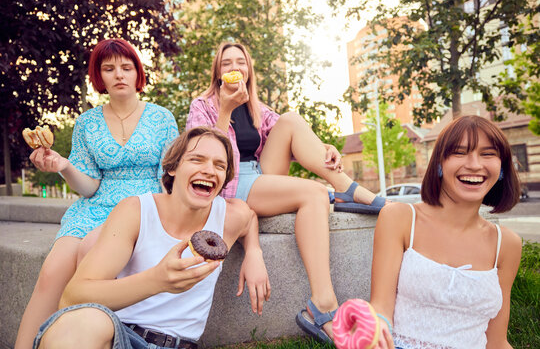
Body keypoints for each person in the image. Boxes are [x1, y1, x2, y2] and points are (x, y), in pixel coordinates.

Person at [186, 42, 386, 343]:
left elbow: (294, 137)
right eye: (226, 63)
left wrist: (324, 148)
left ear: (248, 69)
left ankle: (345, 189)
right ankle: (323, 304)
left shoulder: (255, 106)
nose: (234, 68)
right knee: (315, 194)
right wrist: (225, 109)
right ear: (217, 72)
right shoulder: (202, 105)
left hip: (259, 175)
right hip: (228, 185)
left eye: (240, 62)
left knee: (291, 119)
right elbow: (201, 154)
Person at [33, 126, 270, 349]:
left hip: (181, 343)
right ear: (173, 168)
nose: (209, 170)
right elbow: (73, 298)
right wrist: (157, 280)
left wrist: (254, 253)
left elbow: (249, 218)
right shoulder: (136, 211)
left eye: (219, 165)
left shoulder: (229, 216)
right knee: (82, 323)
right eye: (196, 159)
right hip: (123, 337)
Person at [16, 38, 180, 348]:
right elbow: (88, 185)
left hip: (140, 208)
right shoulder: (86, 122)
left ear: (137, 74)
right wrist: (63, 164)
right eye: (109, 68)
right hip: (93, 207)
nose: (119, 74)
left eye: (126, 67)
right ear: (99, 76)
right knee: (52, 272)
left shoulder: (162, 118)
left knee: (88, 254)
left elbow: (169, 178)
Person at [367, 115, 522, 348]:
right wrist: (374, 329)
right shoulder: (399, 218)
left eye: (487, 154)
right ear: (439, 163)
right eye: (459, 152)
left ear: (502, 168)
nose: (474, 164)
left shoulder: (507, 243)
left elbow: (497, 341)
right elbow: (381, 309)